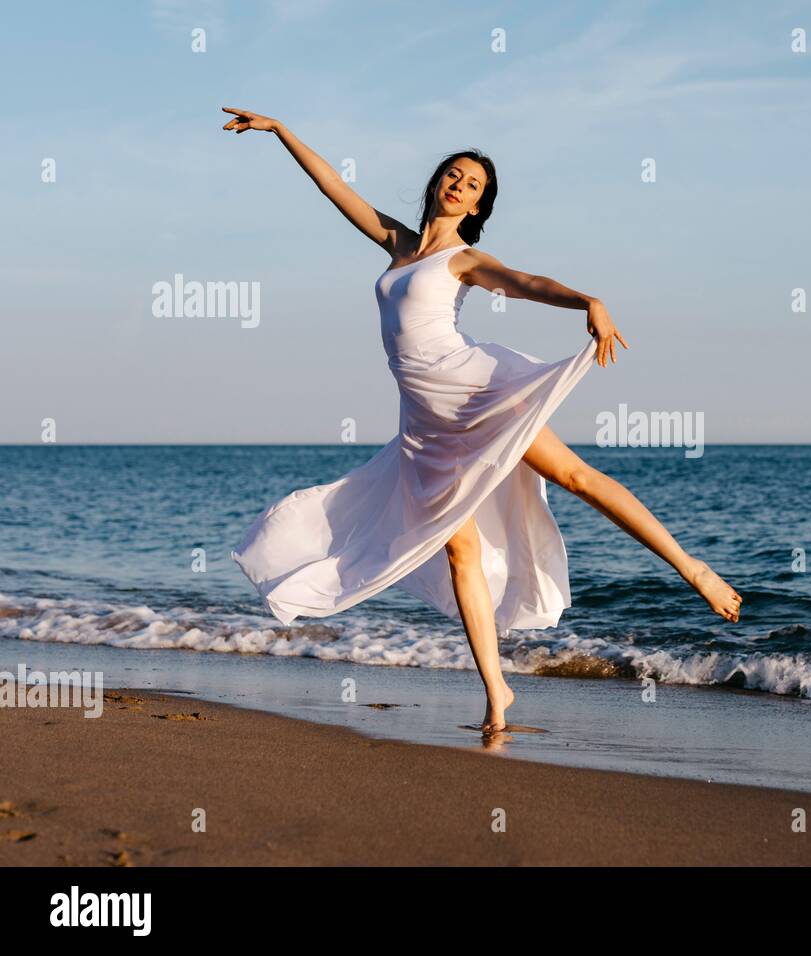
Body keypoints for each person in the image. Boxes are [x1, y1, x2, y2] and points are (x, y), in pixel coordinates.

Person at [223, 108, 742, 734]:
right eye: (453, 175)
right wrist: (281, 132)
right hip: (426, 425)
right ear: (436, 183)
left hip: (474, 392)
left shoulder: (464, 260)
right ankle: (498, 695)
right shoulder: (399, 245)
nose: (458, 185)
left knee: (575, 477)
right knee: (459, 552)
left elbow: (523, 281)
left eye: (472, 185)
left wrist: (587, 301)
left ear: (476, 207)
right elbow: (335, 187)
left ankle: (694, 569)